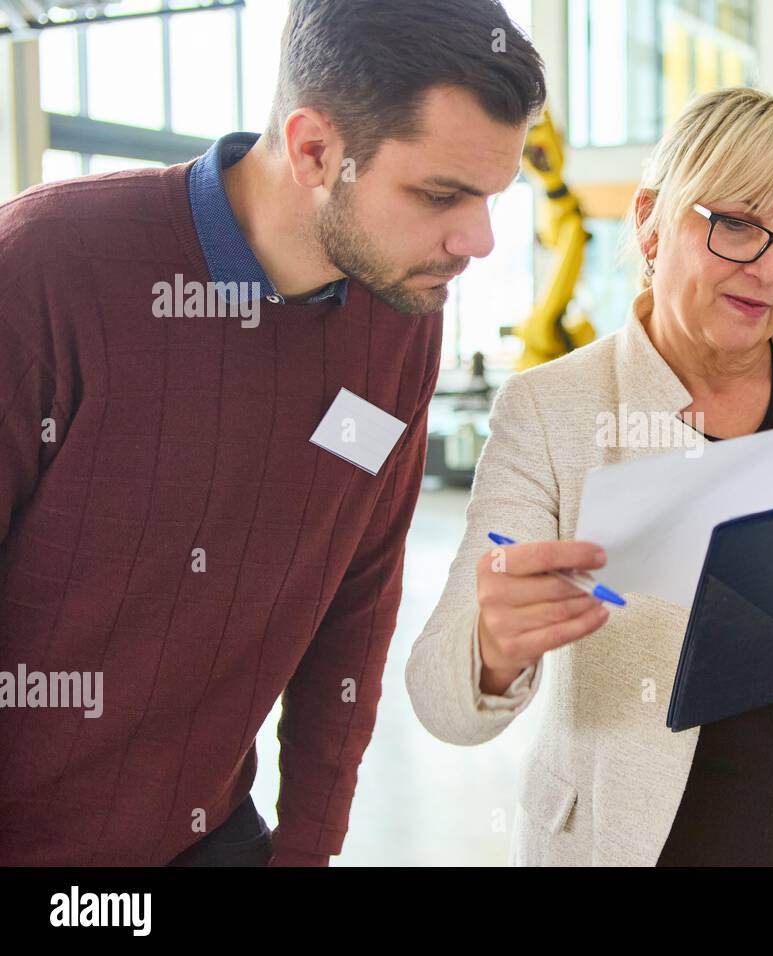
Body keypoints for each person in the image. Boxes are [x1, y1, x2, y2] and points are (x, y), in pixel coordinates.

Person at [0, 0, 545, 866]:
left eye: (489, 197)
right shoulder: (49, 265)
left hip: (214, 836)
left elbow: (358, 600)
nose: (476, 239)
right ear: (314, 149)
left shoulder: (400, 313)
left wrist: (306, 849)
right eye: (441, 194)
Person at [407, 87, 773, 866]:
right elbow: (442, 698)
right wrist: (493, 642)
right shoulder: (552, 410)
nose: (772, 273)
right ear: (650, 218)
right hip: (651, 836)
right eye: (737, 225)